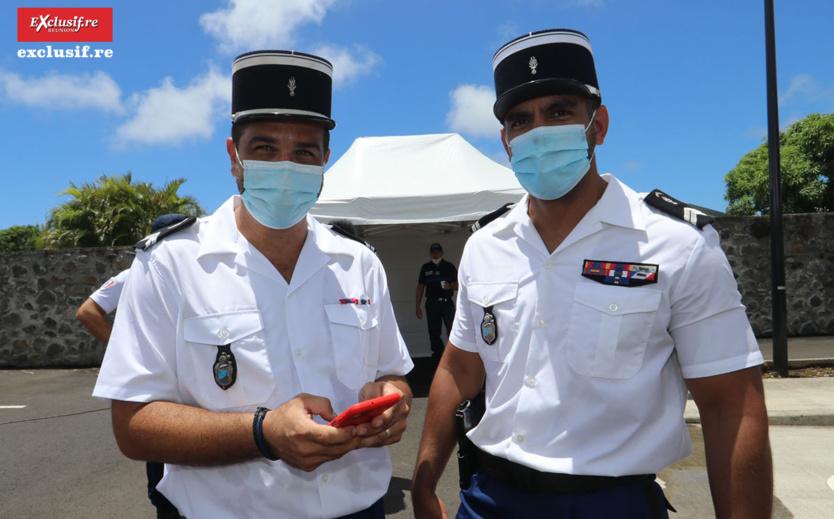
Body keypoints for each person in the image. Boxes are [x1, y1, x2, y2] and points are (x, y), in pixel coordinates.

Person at [411, 29, 772, 519]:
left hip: (611, 503)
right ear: (505, 142)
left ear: (597, 125)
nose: (538, 132)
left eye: (559, 112)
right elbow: (460, 366)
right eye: (520, 120)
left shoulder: (676, 245)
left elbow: (731, 404)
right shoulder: (484, 245)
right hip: (489, 498)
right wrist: (424, 477)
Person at [92, 50, 413, 519]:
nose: (286, 165)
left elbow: (391, 373)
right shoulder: (170, 263)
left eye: (304, 152)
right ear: (233, 156)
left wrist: (393, 400)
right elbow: (134, 425)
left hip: (360, 509)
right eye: (264, 149)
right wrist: (263, 434)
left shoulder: (359, 261)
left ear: (326, 159)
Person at [77, 213, 187, 519]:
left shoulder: (200, 275)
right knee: (163, 449)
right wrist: (123, 349)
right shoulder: (133, 275)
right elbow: (88, 311)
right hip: (155, 380)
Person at [415, 243, 458, 361]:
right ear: (430, 253)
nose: (435, 254)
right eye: (433, 252)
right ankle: (438, 354)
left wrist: (451, 286)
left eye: (438, 251)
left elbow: (459, 285)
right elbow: (420, 287)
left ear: (442, 253)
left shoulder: (449, 266)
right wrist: (417, 306)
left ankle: (453, 353)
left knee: (452, 328)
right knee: (434, 330)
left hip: (446, 302)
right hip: (432, 303)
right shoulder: (426, 267)